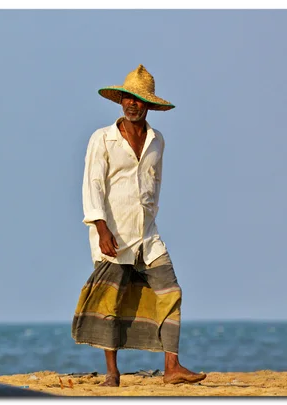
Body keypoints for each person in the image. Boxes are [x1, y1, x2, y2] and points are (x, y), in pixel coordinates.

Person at [71, 65, 207, 387]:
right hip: (113, 235)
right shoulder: (102, 139)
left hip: (147, 234)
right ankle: (112, 374)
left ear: (148, 106)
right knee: (110, 302)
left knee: (170, 290)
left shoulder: (157, 141)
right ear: (120, 101)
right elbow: (93, 187)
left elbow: (154, 186)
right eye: (128, 99)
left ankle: (172, 367)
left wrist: (151, 219)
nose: (133, 105)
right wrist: (101, 229)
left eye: (139, 101)